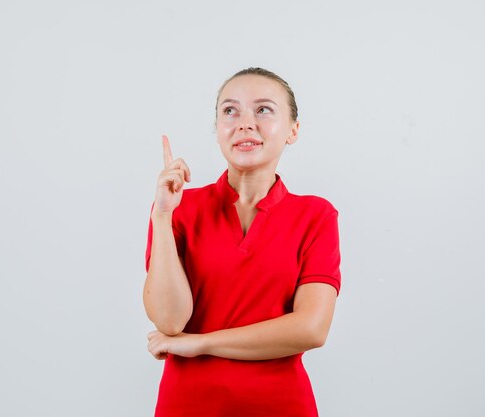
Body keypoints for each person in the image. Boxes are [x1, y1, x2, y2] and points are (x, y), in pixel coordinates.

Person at [143, 67, 341, 417]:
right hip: (186, 405)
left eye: (263, 109)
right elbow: (170, 323)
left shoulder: (316, 215)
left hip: (282, 406)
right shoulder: (179, 208)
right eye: (230, 111)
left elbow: (311, 328)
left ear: (293, 130)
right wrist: (161, 215)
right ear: (219, 131)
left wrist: (201, 343)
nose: (245, 123)